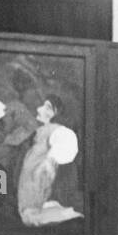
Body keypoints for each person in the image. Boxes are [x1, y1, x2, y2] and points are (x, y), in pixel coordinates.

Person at [17, 95, 84, 226]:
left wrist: (48, 163)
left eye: (48, 107)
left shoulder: (58, 132)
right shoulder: (39, 134)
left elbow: (66, 144)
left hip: (42, 208)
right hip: (31, 208)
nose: (39, 109)